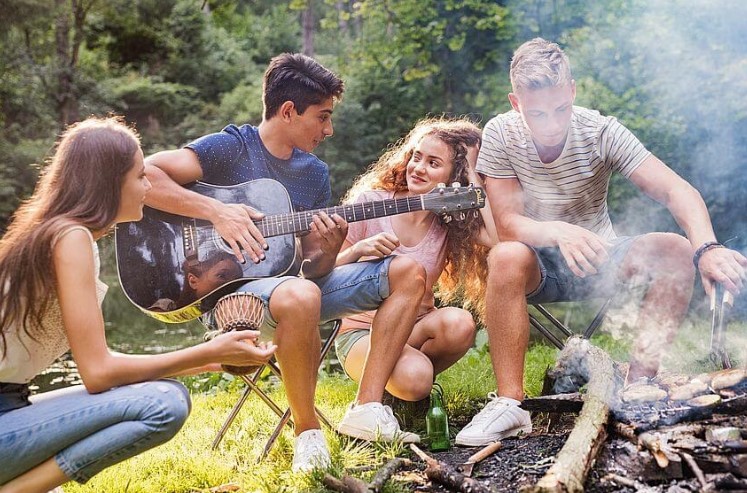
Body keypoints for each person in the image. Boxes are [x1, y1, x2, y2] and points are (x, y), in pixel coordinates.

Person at [454, 37, 747, 447]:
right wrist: (559, 230)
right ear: (516, 102)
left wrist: (708, 248)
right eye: (537, 113)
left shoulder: (601, 130)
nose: (552, 123)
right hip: (536, 264)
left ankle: (639, 385)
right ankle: (511, 404)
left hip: (600, 259)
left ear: (572, 91)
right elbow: (508, 223)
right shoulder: (502, 133)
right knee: (505, 255)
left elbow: (674, 190)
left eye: (560, 109)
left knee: (676, 249)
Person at [144, 53, 427, 471]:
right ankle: (307, 434)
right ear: (289, 111)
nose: (329, 130)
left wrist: (329, 249)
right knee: (298, 295)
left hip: (294, 288)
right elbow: (145, 177)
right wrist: (217, 212)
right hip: (228, 295)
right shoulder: (230, 147)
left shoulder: (314, 173)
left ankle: (367, 407)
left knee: (407, 271)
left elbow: (311, 268)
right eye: (322, 117)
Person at [0, 117, 277, 493]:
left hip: (13, 406)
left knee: (165, 394)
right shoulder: (70, 238)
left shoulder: (58, 233)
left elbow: (99, 371)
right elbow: (98, 373)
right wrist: (203, 351)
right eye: (139, 176)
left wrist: (208, 360)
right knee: (164, 405)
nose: (148, 186)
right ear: (108, 183)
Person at [333, 118, 496, 420]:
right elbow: (324, 273)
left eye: (433, 163)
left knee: (460, 323)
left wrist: (473, 175)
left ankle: (398, 393)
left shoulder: (447, 222)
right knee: (417, 380)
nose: (418, 168)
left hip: (414, 329)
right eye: (416, 156)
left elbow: (495, 237)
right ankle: (394, 389)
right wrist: (358, 250)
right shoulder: (371, 203)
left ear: (454, 176)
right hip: (362, 332)